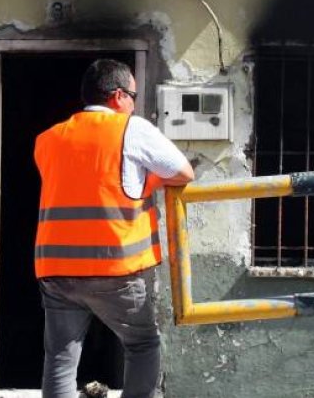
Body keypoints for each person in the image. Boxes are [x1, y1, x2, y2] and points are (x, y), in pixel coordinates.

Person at [34, 58, 195, 398]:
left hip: (56, 269)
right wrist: (147, 186)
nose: (134, 104)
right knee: (142, 344)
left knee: (60, 359)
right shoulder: (131, 129)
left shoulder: (48, 139)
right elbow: (182, 173)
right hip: (114, 267)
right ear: (118, 96)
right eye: (133, 96)